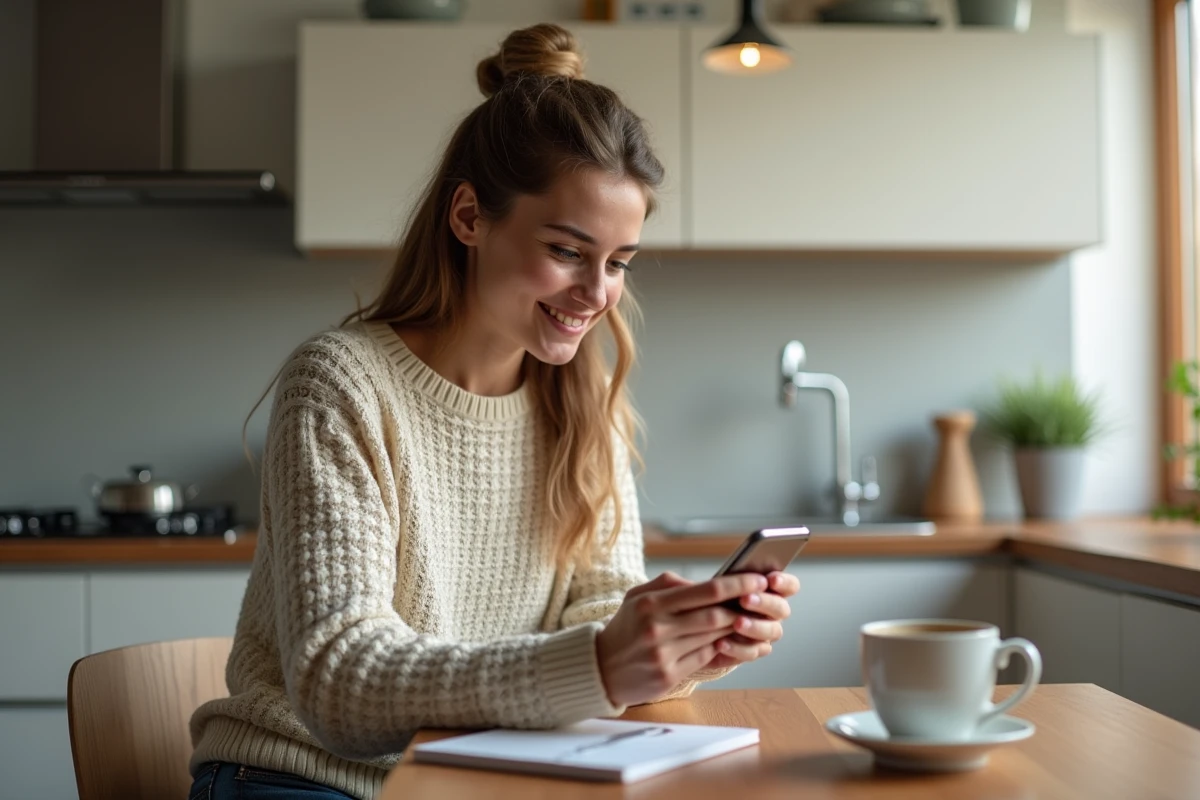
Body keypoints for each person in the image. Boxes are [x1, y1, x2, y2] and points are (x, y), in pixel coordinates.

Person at [187, 22, 800, 800]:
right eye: (569, 252)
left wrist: (685, 645)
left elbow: (599, 608)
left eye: (618, 263)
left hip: (474, 776)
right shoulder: (341, 383)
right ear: (470, 217)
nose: (597, 294)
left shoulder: (581, 402)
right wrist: (602, 661)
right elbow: (337, 682)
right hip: (301, 778)